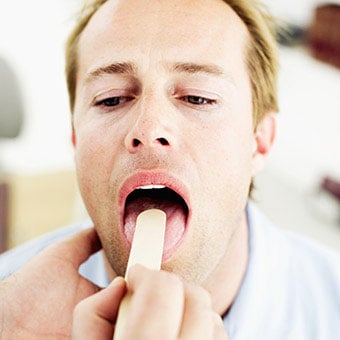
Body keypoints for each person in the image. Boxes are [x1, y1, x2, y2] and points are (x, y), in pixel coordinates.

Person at [0, 0, 339, 339]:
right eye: (111, 98)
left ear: (260, 142)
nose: (148, 129)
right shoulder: (10, 310)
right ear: (76, 141)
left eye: (197, 97)